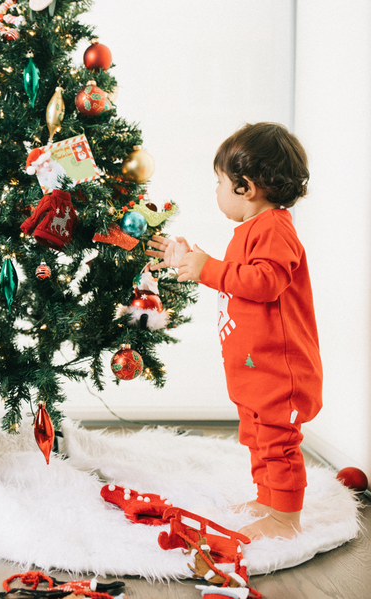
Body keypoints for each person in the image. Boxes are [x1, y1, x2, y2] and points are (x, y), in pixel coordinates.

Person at [147, 122, 322, 540]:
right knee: (258, 436)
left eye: (220, 182)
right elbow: (236, 275)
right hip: (253, 367)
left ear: (246, 187)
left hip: (279, 369)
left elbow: (263, 282)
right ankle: (268, 500)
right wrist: (189, 259)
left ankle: (286, 518)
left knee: (277, 440)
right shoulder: (249, 231)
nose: (217, 190)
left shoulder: (276, 229)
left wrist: (207, 269)